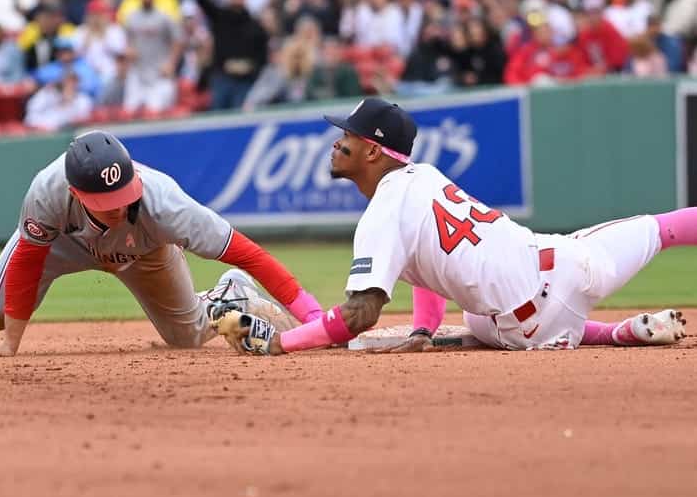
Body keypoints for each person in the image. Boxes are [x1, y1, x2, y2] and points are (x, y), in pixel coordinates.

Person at [212, 99, 690, 357]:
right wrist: (424, 326)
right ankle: (610, 333)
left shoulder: (382, 212)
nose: (337, 144)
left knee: (480, 314)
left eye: (347, 138)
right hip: (568, 270)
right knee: (665, 228)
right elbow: (429, 257)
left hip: (510, 332)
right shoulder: (425, 178)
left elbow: (360, 316)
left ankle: (618, 333)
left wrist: (279, 341)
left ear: (374, 152)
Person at [0, 131, 326, 357]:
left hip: (145, 249)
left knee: (186, 338)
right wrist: (11, 344)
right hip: (62, 243)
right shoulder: (47, 191)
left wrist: (311, 317)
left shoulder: (165, 203)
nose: (116, 206)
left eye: (122, 196)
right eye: (104, 202)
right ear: (75, 193)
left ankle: (227, 296)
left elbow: (248, 253)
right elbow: (29, 260)